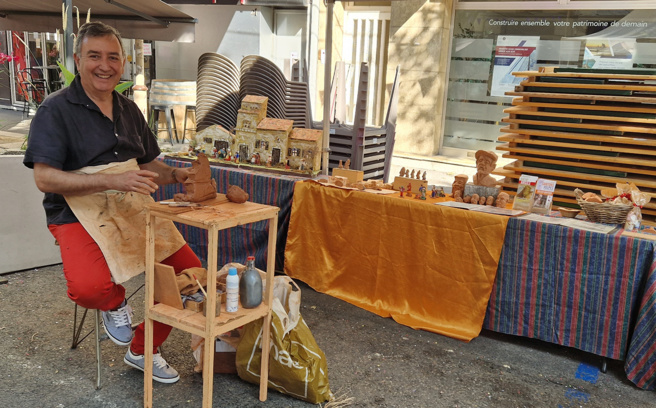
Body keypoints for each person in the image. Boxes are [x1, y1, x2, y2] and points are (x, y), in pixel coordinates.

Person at [22, 22, 202, 384]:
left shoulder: (129, 109)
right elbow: (44, 178)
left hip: (131, 205)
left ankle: (143, 348)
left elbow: (148, 163)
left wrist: (176, 175)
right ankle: (115, 303)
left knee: (190, 277)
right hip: (75, 210)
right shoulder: (55, 110)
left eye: (112, 57)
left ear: (123, 63)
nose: (104, 65)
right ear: (77, 60)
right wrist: (110, 179)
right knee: (90, 288)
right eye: (94, 56)